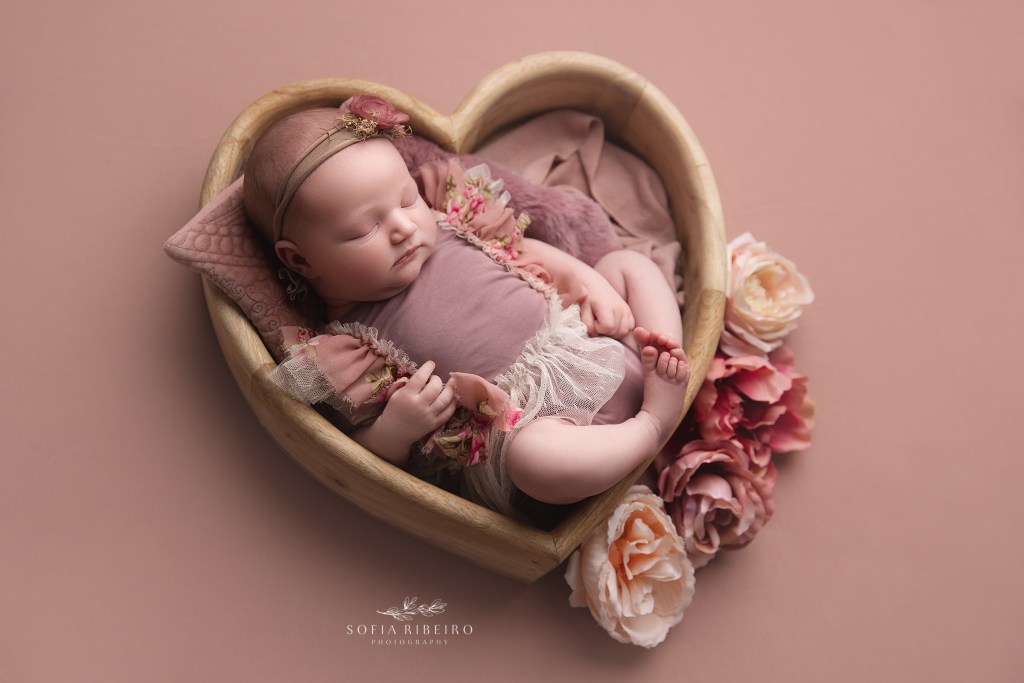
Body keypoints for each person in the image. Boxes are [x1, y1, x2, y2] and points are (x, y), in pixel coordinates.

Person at [243, 95, 689, 516]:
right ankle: (651, 424)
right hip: (536, 427)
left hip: (594, 340)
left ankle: (666, 352)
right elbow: (360, 451)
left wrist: (587, 280)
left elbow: (525, 251)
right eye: (364, 229)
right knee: (535, 462)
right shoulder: (343, 350)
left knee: (627, 264)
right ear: (300, 259)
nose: (402, 227)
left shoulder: (450, 220)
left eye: (406, 199)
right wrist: (394, 430)